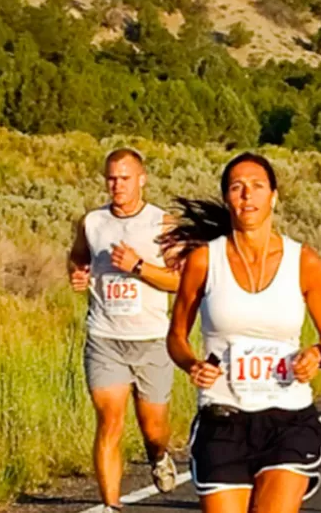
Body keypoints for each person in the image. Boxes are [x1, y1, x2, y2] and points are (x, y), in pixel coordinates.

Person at [164, 153, 321, 513]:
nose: (248, 195)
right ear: (228, 198)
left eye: (257, 186)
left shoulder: (303, 261)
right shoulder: (204, 261)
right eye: (237, 187)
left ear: (273, 196)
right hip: (223, 416)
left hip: (288, 416)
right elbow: (176, 337)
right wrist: (191, 364)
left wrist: (317, 355)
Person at [68, 148, 180, 513]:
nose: (117, 185)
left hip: (151, 341)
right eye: (111, 178)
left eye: (125, 178)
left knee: (153, 429)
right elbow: (79, 255)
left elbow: (180, 280)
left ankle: (159, 455)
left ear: (142, 179)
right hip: (105, 338)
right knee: (109, 422)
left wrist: (138, 267)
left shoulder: (162, 224)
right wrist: (78, 272)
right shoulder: (93, 222)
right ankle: (111, 507)